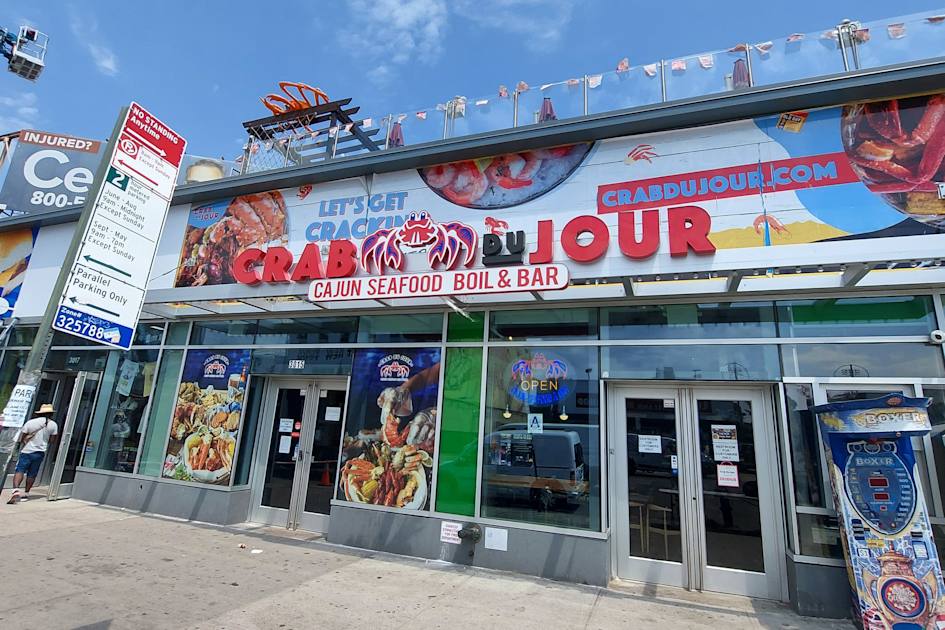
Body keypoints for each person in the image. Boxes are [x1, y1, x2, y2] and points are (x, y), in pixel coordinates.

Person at [7, 403, 57, 503]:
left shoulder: (31, 423)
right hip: (40, 452)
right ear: (51, 414)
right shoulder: (53, 425)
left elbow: (21, 437)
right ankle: (26, 493)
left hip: (26, 451)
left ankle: (16, 491)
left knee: (20, 470)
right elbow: (53, 440)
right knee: (32, 474)